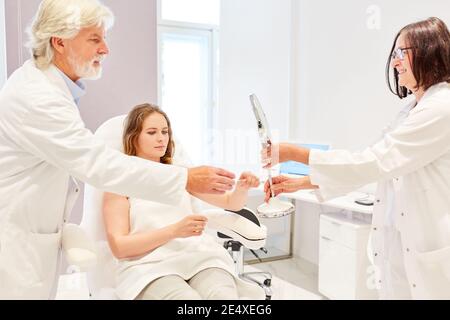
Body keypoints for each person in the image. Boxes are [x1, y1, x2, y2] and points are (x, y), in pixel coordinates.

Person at [0, 0, 235, 300]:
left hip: (195, 259)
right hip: (18, 247)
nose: (105, 49)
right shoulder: (37, 98)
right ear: (59, 42)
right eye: (94, 39)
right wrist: (183, 179)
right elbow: (96, 163)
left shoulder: (48, 89)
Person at [263, 17, 450, 300]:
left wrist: (292, 152)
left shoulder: (441, 108)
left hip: (429, 246)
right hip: (401, 247)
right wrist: (298, 184)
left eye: (402, 53)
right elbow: (368, 166)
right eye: (394, 55)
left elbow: (373, 161)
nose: (395, 63)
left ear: (428, 50)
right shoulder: (410, 110)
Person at [102, 104, 263, 300]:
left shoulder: (181, 175)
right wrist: (174, 231)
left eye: (165, 132)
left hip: (197, 257)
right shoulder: (121, 182)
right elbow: (120, 247)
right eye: (152, 132)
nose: (161, 138)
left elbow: (231, 203)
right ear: (133, 137)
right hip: (150, 266)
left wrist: (242, 187)